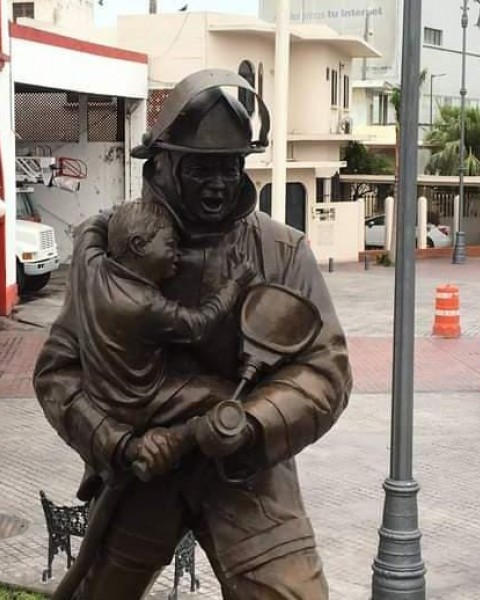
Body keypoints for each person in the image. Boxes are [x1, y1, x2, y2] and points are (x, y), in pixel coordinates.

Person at [33, 68, 352, 599]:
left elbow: (326, 370)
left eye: (230, 166)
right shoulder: (116, 248)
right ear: (162, 163)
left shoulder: (283, 250)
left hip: (249, 480)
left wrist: (251, 422)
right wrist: (117, 442)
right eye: (202, 167)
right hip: (143, 475)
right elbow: (57, 372)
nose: (220, 183)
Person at [72, 200, 253, 443]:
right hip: (134, 403)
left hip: (98, 396)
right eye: (170, 245)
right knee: (225, 395)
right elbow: (199, 325)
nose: (177, 255)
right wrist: (234, 284)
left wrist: (121, 216)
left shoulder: (90, 266)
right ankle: (179, 442)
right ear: (138, 244)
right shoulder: (144, 304)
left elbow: (89, 226)